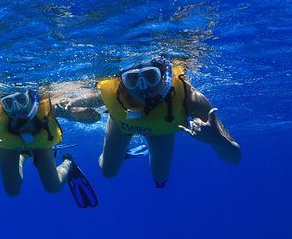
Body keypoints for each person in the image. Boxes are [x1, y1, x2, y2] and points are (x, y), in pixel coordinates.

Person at [54, 58, 241, 188]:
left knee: (160, 177)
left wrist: (216, 139)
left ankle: (125, 154)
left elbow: (235, 158)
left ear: (165, 76)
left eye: (151, 77)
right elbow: (95, 96)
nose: (143, 87)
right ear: (121, 81)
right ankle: (123, 155)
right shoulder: (116, 92)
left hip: (161, 129)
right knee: (107, 171)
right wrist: (70, 105)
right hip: (123, 125)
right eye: (132, 79)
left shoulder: (190, 99)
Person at [0, 88, 99, 207]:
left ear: (32, 99)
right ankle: (24, 155)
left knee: (53, 186)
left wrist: (70, 114)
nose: (16, 107)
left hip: (40, 142)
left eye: (22, 100)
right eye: (8, 103)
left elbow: (95, 117)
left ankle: (68, 162)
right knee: (12, 190)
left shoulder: (48, 107)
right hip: (10, 144)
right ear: (2, 105)